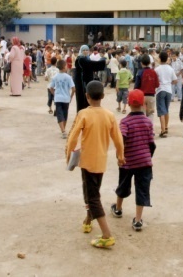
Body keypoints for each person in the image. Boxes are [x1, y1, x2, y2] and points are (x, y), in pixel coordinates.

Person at [65, 81, 125, 248]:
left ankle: (107, 235)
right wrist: (120, 156)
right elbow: (118, 140)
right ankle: (88, 218)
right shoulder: (109, 115)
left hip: (87, 162)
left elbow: (72, 137)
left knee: (92, 197)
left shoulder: (83, 114)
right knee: (92, 191)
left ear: (87, 96)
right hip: (101, 161)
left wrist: (68, 155)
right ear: (103, 97)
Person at [110, 89, 154, 231]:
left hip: (127, 162)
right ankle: (138, 220)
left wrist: (120, 156)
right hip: (144, 162)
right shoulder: (148, 122)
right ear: (143, 104)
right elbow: (151, 143)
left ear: (128, 103)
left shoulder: (125, 122)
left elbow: (121, 140)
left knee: (123, 185)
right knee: (142, 190)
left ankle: (118, 208)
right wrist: (147, 156)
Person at [73, 45, 107, 112]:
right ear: (81, 51)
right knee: (83, 98)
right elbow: (92, 65)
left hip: (86, 81)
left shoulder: (87, 58)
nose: (85, 52)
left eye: (86, 50)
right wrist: (103, 60)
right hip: (82, 83)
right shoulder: (80, 59)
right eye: (84, 50)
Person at [49, 59, 75, 139]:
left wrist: (55, 94)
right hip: (66, 98)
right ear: (64, 67)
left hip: (58, 98)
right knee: (65, 114)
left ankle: (63, 130)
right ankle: (63, 130)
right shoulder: (68, 77)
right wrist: (70, 97)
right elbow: (73, 88)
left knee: (59, 115)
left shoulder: (55, 77)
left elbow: (51, 87)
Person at [154, 51, 178, 137]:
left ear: (160, 59)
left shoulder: (157, 69)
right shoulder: (170, 68)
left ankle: (163, 129)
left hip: (160, 90)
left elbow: (155, 81)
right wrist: (169, 82)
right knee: (166, 109)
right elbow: (175, 81)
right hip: (169, 90)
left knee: (161, 111)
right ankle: (166, 127)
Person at [134, 54, 159, 121]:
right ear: (150, 63)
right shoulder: (153, 72)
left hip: (142, 96)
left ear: (141, 63)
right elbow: (157, 85)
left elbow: (136, 86)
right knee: (150, 113)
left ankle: (143, 128)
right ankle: (150, 128)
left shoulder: (140, 72)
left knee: (142, 113)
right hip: (151, 95)